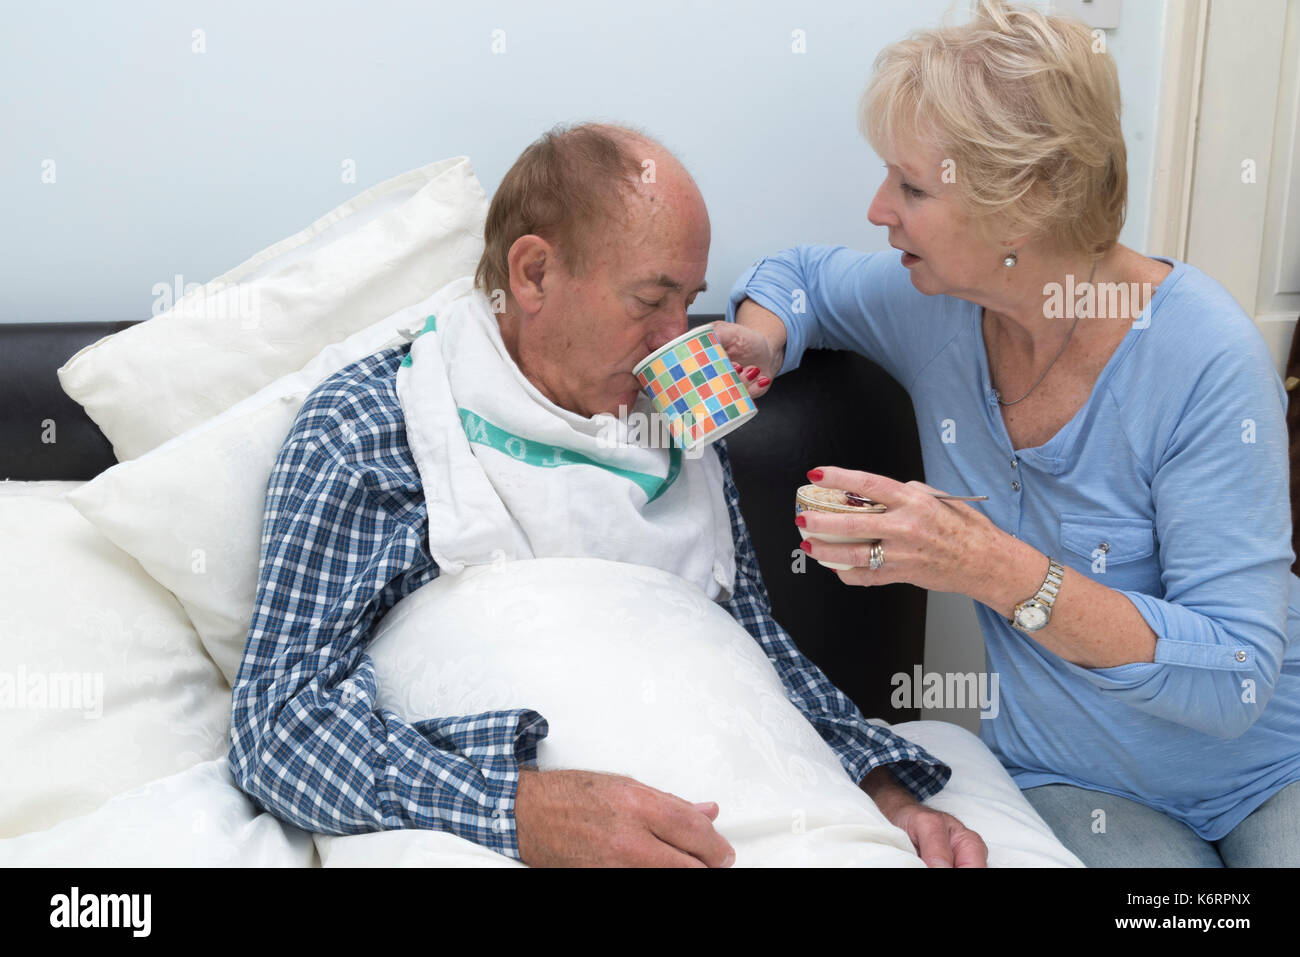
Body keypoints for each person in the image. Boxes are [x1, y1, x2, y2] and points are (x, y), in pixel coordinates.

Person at [228, 121, 989, 868]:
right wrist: (522, 810)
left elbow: (754, 651)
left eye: (688, 300)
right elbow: (278, 728)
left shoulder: (676, 428)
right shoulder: (375, 426)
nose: (675, 338)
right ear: (533, 274)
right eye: (649, 300)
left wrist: (885, 794)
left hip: (730, 812)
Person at [717, 0, 1300, 867]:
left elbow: (1236, 677)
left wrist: (987, 564)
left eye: (912, 187)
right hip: (1078, 783)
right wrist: (763, 338)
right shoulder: (936, 304)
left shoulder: (1202, 356)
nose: (879, 209)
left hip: (1265, 768)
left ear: (1025, 200)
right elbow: (798, 276)